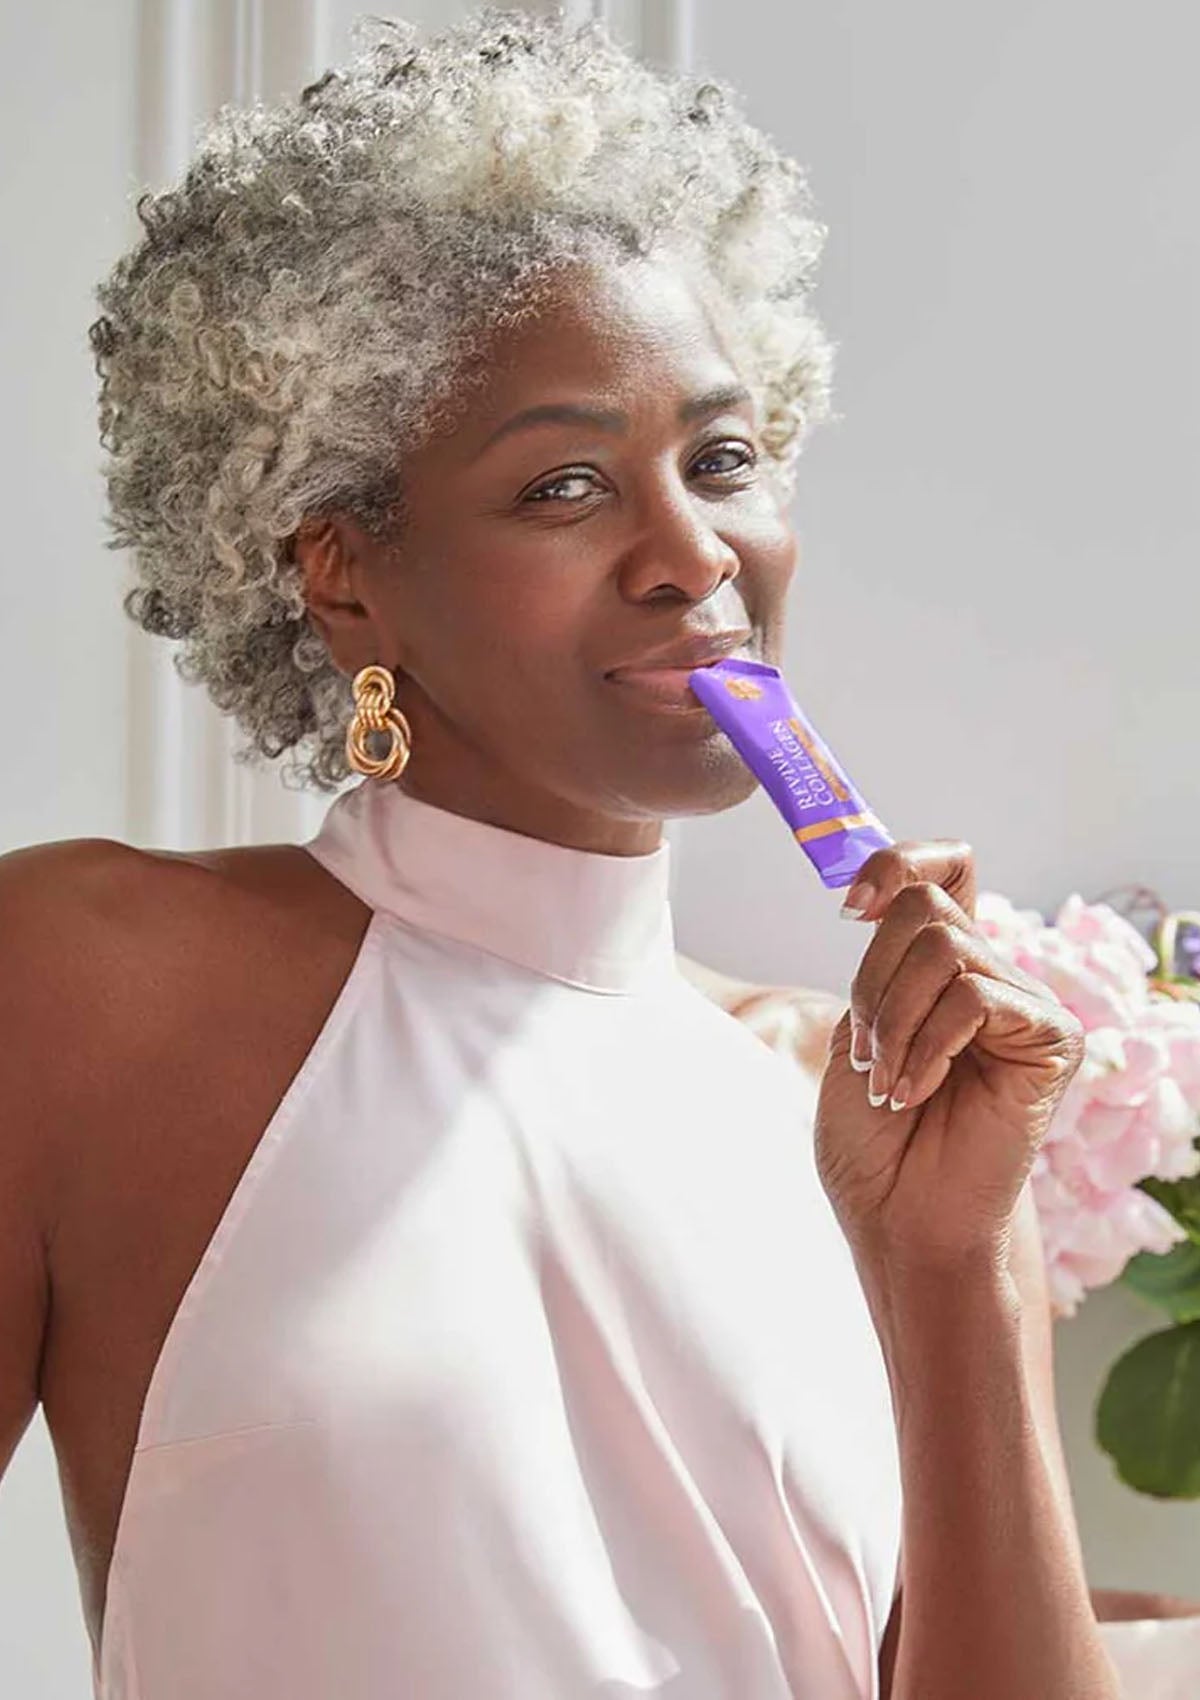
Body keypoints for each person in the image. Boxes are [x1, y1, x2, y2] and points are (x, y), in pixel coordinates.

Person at [0, 8, 1180, 1697]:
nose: (693, 552)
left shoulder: (865, 1113)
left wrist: (964, 1263)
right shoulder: (84, 984)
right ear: (343, 577)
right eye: (565, 484)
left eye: (723, 458)